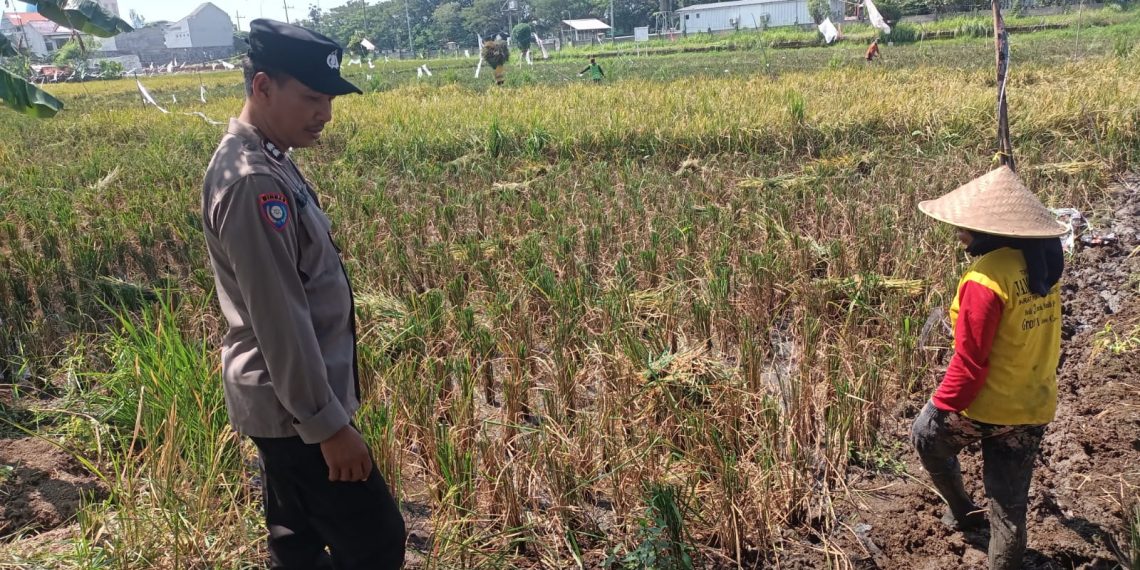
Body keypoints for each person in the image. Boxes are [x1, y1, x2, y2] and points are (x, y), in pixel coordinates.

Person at [201, 19, 406, 569]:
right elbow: (280, 319)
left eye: (330, 99)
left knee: (297, 540)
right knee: (377, 541)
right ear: (263, 86)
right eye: (312, 97)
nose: (326, 113)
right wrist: (327, 426)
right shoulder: (253, 180)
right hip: (295, 411)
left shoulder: (269, 158)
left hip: (284, 405)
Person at [911, 166, 1066, 570]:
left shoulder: (984, 279)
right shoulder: (1043, 265)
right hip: (1034, 403)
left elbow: (971, 362)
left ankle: (963, 511)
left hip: (988, 405)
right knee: (1009, 508)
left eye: (965, 228)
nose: (958, 234)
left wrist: (942, 405)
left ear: (990, 232)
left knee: (925, 436)